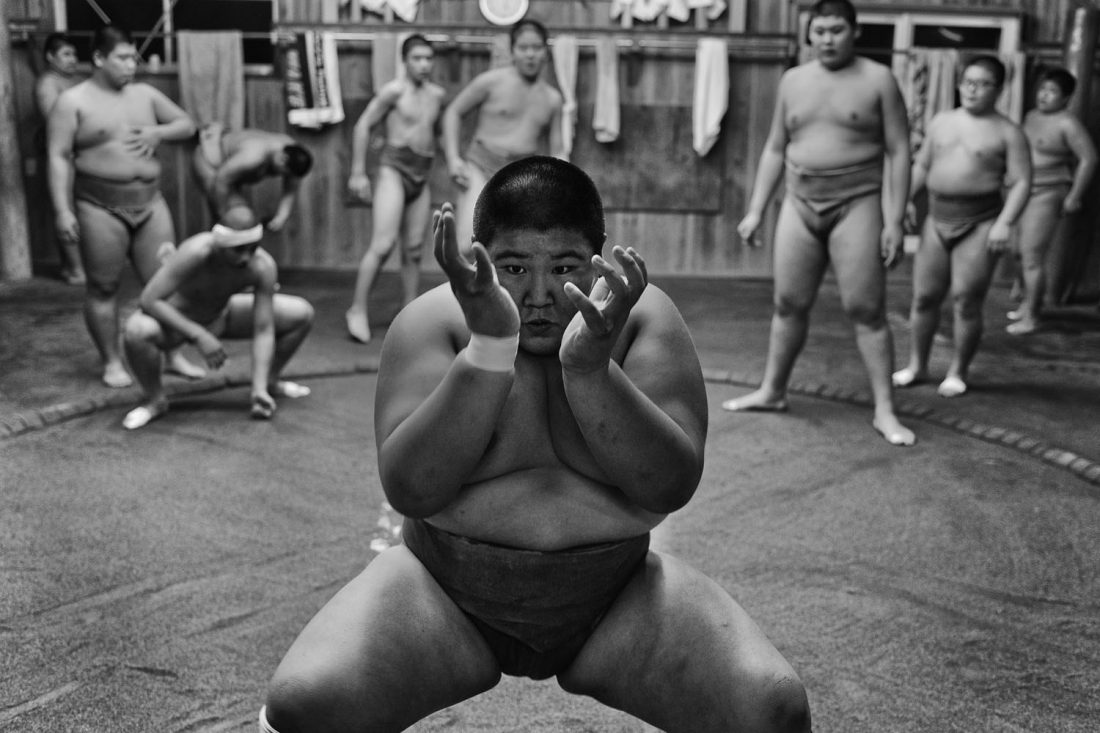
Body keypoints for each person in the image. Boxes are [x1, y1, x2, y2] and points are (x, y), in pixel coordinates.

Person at [259, 157, 811, 733]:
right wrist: (490, 350)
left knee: (771, 709)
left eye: (566, 266)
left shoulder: (642, 316)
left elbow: (669, 485)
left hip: (617, 598)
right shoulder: (433, 322)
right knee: (304, 703)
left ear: (600, 255)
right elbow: (411, 490)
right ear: (478, 256)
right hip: (443, 592)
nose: (541, 295)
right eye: (515, 267)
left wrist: (592, 369)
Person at [724, 0, 915, 446]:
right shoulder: (793, 80)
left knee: (865, 308)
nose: (826, 39)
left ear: (855, 31)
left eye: (836, 30)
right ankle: (773, 391)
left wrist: (894, 219)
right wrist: (756, 208)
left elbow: (900, 150)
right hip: (800, 199)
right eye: (819, 31)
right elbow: (775, 146)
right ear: (809, 34)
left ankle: (885, 409)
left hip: (858, 201)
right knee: (788, 302)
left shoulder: (878, 80)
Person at [47, 24, 204, 388]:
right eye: (122, 58)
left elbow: (187, 123)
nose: (131, 65)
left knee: (165, 283)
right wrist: (61, 210)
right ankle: (113, 361)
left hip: (150, 202)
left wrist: (158, 133)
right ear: (99, 58)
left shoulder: (146, 95)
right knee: (103, 287)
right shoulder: (72, 102)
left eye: (133, 57)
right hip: (99, 206)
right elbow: (58, 156)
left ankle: (172, 354)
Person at [893, 56, 1031, 397]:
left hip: (980, 222)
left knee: (966, 300)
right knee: (924, 297)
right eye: (968, 81)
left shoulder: (1008, 132)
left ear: (999, 90)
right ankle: (917, 365)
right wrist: (905, 200)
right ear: (959, 84)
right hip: (937, 219)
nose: (973, 89)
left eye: (983, 84)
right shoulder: (941, 122)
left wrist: (1005, 223)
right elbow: (922, 165)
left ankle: (957, 371)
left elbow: (1023, 182)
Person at [120, 205, 314, 430]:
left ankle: (268, 384)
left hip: (221, 315)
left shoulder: (262, 266)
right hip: (175, 322)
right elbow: (149, 300)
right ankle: (155, 400)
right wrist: (199, 335)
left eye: (253, 248)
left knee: (301, 313)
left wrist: (257, 389)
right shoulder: (196, 251)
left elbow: (264, 328)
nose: (246, 258)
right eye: (239, 250)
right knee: (137, 330)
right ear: (221, 243)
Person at [345, 34, 446, 344]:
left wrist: (452, 161)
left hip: (421, 172)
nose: (424, 64)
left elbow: (437, 132)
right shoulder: (393, 91)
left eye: (428, 58)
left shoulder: (437, 95)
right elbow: (363, 125)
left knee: (415, 248)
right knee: (384, 243)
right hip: (393, 168)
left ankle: (409, 310)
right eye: (417, 58)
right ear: (405, 61)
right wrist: (358, 171)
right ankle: (357, 309)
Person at [442, 18, 565, 251]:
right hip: (480, 165)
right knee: (468, 245)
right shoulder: (490, 82)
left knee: (515, 250)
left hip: (521, 175)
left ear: (545, 52)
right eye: (523, 48)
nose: (530, 54)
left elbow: (558, 147)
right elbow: (453, 112)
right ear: (512, 51)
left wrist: (561, 175)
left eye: (536, 48)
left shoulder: (552, 99)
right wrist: (452, 158)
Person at [1007, 66, 1097, 335]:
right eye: (1042, 89)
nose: (1044, 95)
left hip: (1049, 191)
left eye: (1052, 92)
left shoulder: (1067, 123)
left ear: (1066, 97)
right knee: (1016, 252)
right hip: (1021, 189)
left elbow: (1089, 159)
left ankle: (1033, 316)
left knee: (1032, 257)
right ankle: (1026, 302)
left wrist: (1075, 196)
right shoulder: (1031, 116)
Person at [191, 126, 313, 231]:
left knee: (239, 218)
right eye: (284, 173)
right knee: (235, 218)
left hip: (229, 169)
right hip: (209, 160)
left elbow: (290, 189)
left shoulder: (292, 151)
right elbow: (221, 180)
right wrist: (223, 215)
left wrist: (281, 217)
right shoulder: (253, 156)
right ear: (283, 159)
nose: (283, 176)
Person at [35, 32, 85, 285]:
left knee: (77, 208)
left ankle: (72, 266)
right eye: (66, 54)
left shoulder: (70, 81)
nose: (72, 59)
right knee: (66, 210)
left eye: (74, 54)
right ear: (50, 57)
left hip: (77, 153)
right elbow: (55, 124)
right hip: (61, 155)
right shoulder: (48, 84)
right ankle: (76, 269)